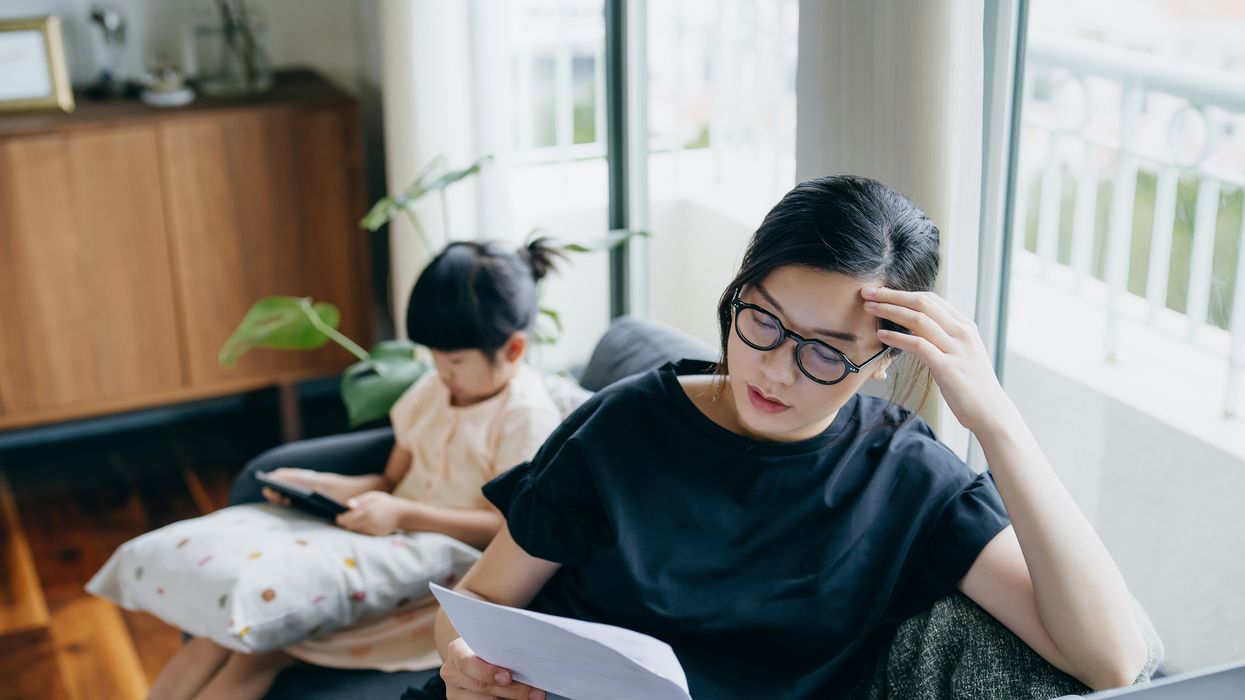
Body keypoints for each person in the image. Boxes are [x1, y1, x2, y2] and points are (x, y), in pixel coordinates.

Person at [422, 176, 1149, 700]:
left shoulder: (906, 478)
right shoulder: (624, 426)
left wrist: (996, 420)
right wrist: (464, 665)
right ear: (738, 290)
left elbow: (1111, 661)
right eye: (762, 320)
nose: (773, 369)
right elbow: (480, 602)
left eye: (826, 352)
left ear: (884, 359)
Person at [148, 239, 566, 700]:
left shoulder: (525, 419)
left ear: (512, 350)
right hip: (381, 544)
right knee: (215, 637)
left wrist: (403, 515)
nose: (441, 371)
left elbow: (506, 532)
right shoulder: (432, 393)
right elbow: (389, 481)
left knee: (255, 650)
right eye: (433, 356)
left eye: (456, 361)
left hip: (441, 579)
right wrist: (320, 486)